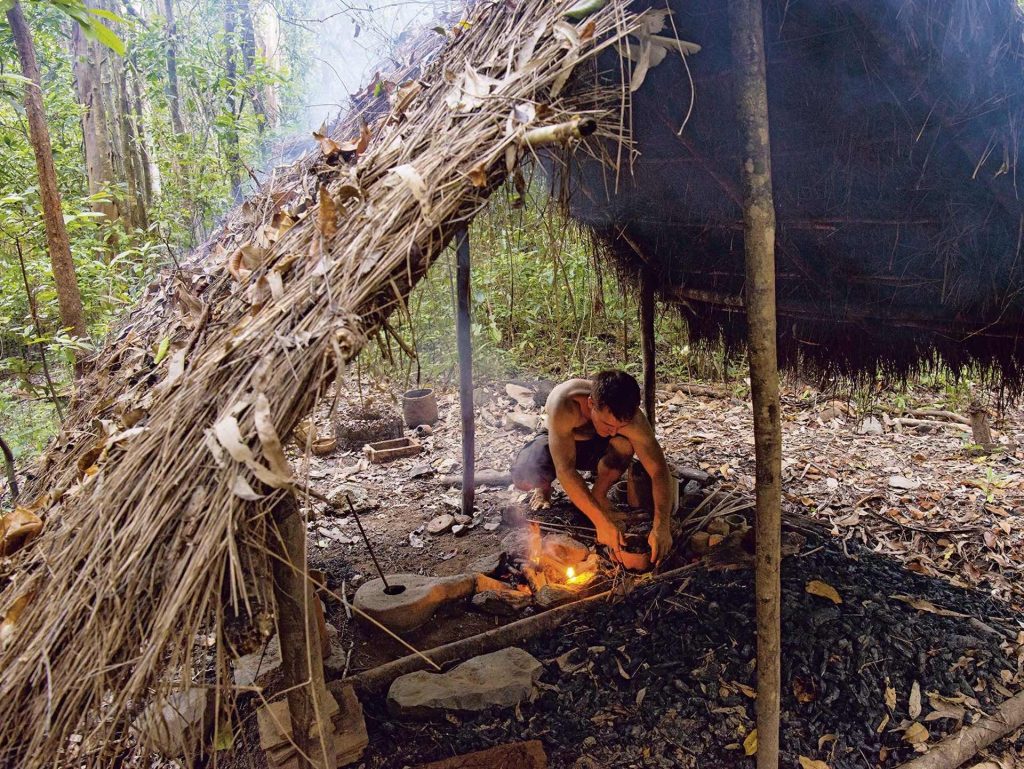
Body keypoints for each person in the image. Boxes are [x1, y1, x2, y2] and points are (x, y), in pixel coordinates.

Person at [510, 370, 675, 564]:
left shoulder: (634, 420)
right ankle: (544, 488)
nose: (612, 430)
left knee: (625, 443)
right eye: (607, 423)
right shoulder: (564, 404)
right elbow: (566, 470)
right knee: (523, 478)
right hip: (559, 444)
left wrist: (661, 526)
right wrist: (601, 523)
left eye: (619, 426)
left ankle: (599, 495)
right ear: (590, 404)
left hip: (597, 447)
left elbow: (658, 470)